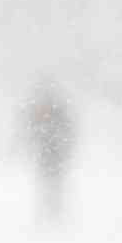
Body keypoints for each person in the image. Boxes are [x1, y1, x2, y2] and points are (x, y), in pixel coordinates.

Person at [23, 80, 76, 222]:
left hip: (55, 154)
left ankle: (54, 213)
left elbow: (67, 131)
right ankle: (45, 213)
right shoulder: (39, 113)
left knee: (54, 184)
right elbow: (30, 132)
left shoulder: (56, 113)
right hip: (46, 154)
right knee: (46, 183)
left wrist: (63, 145)